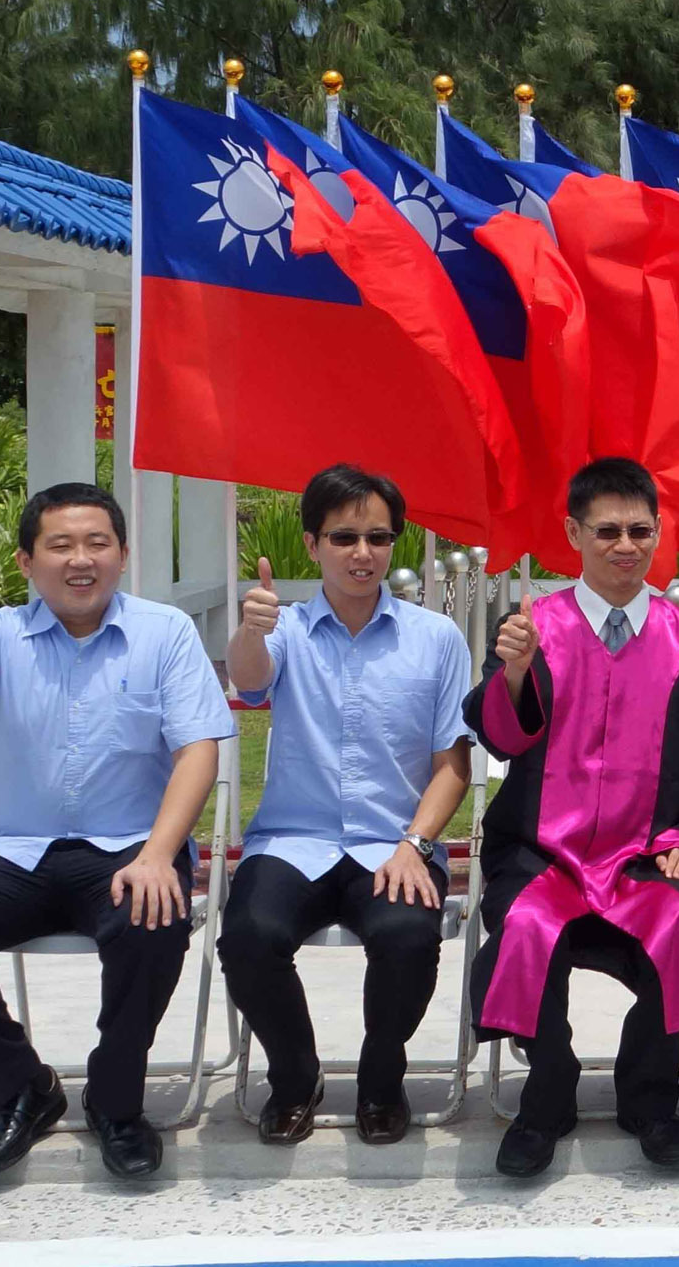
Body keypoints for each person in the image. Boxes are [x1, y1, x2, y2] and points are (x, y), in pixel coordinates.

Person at [0, 482, 235, 1179]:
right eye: (61, 545)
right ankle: (21, 1088)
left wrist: (161, 855)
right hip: (14, 848)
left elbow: (199, 749)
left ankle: (116, 1102)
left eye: (97, 543)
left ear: (124, 555)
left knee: (152, 920)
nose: (81, 560)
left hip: (128, 845)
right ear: (26, 561)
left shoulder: (165, 633)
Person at [468, 457, 679, 1179]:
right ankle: (545, 1096)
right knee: (524, 928)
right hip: (542, 853)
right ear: (573, 533)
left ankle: (650, 1097)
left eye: (640, 530)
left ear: (658, 535)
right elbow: (499, 735)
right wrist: (516, 672)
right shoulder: (534, 629)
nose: (626, 545)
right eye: (608, 531)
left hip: (648, 856)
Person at [220, 464, 473, 1145]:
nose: (362, 553)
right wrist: (251, 629)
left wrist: (416, 843)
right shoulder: (285, 629)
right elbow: (248, 684)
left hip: (392, 843)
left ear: (395, 544)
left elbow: (453, 763)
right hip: (293, 841)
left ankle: (382, 1078)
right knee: (247, 937)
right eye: (344, 538)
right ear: (312, 545)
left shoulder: (436, 639)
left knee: (408, 937)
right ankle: (295, 1078)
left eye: (378, 537)